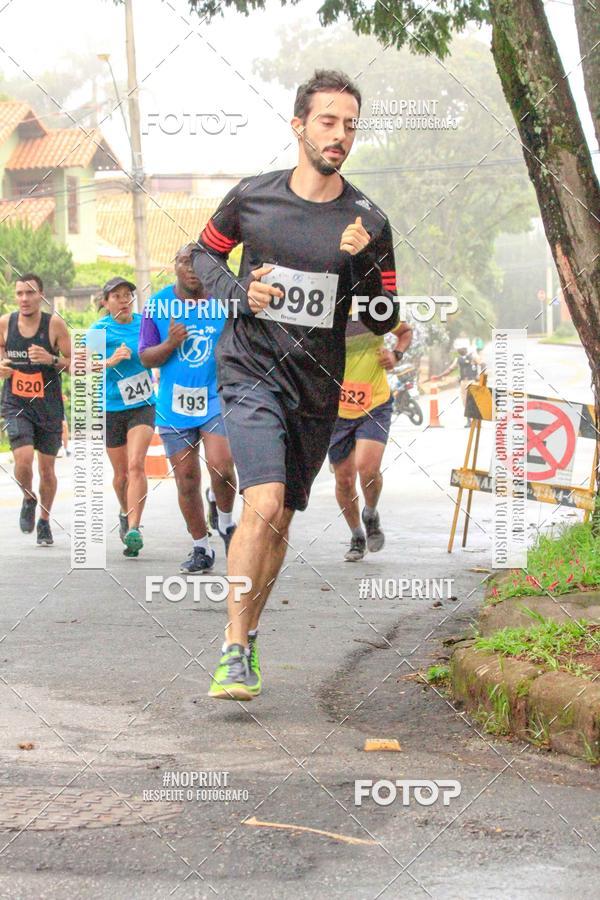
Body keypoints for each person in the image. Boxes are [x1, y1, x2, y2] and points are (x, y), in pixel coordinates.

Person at [192, 69, 399, 700]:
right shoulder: (253, 199)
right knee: (263, 497)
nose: (340, 135)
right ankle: (230, 650)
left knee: (279, 517)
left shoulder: (369, 220)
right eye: (329, 121)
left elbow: (386, 316)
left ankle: (248, 637)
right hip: (252, 369)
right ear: (299, 125)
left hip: (318, 387)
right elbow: (202, 254)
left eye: (350, 125)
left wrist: (363, 260)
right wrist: (239, 294)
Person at [139, 244, 237, 573]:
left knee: (222, 468)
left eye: (198, 263)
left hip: (215, 398)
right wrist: (169, 344)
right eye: (185, 262)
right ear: (175, 266)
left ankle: (225, 523)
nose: (192, 269)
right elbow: (145, 357)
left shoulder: (223, 303)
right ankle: (200, 547)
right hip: (174, 405)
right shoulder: (157, 305)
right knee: (186, 479)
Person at [329, 316, 412, 561]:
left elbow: (405, 331)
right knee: (344, 480)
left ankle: (371, 514)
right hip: (336, 411)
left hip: (374, 404)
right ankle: (357, 536)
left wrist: (396, 354)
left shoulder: (375, 306)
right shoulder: (324, 309)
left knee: (367, 468)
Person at [87, 277, 156, 557]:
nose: (124, 301)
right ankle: (125, 511)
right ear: (105, 302)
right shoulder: (98, 330)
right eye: (117, 296)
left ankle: (135, 528)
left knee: (136, 464)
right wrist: (110, 361)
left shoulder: (145, 324)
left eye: (128, 295)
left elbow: (159, 352)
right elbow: (82, 367)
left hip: (142, 403)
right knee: (121, 475)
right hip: (111, 407)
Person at [0, 274, 71, 545]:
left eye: (29, 293)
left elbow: (73, 365)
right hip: (16, 403)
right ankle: (28, 497)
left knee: (48, 470)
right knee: (23, 459)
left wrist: (51, 358)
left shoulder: (54, 325)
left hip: (48, 407)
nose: (24, 299)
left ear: (41, 296)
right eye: (19, 293)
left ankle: (44, 520)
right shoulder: (6, 323)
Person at [437, 338, 482, 426]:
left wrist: (480, 375)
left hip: (472, 381)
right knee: (465, 402)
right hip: (463, 382)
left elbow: (483, 365)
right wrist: (440, 376)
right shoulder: (458, 359)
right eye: (458, 349)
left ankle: (476, 420)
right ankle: (468, 421)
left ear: (465, 349)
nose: (459, 351)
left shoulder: (473, 356)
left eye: (461, 349)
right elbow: (450, 369)